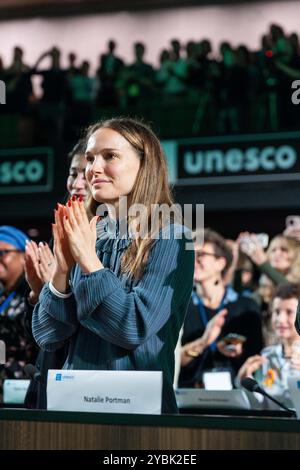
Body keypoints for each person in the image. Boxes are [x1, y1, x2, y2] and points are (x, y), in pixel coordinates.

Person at [32, 117, 194, 413]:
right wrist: (61, 271)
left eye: (110, 156)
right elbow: (48, 335)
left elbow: (133, 327)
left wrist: (90, 262)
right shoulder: (87, 234)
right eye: (91, 158)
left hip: (136, 411)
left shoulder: (173, 237)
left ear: (145, 165)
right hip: (72, 404)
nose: (92, 169)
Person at [24, 139, 88, 408]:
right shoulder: (59, 237)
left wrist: (57, 286)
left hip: (91, 383)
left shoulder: (120, 238)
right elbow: (43, 332)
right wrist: (40, 293)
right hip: (49, 374)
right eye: (74, 173)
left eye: (88, 174)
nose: (78, 183)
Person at [179, 228, 263, 388]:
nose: (193, 260)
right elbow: (174, 361)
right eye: (190, 254)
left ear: (221, 262)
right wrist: (203, 343)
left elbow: (257, 358)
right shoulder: (180, 306)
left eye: (201, 255)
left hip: (235, 396)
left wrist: (239, 352)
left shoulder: (246, 307)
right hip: (189, 396)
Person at [238, 283, 300, 409]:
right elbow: (262, 406)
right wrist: (245, 378)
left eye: (289, 312)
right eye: (276, 312)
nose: (280, 319)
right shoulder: (267, 355)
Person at [0, 226, 38, 400]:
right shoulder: (4, 295)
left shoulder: (32, 295)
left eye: (3, 253)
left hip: (21, 389)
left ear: (25, 257)